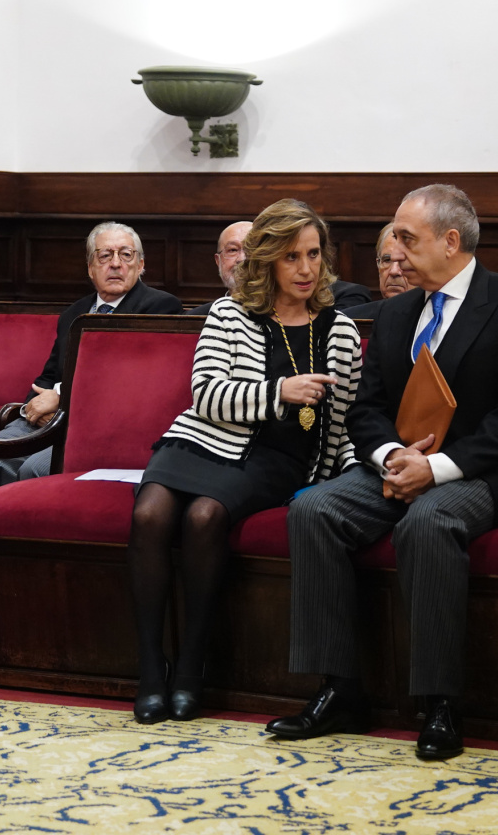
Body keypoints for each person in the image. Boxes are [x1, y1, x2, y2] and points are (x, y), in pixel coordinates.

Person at [267, 184, 498, 759]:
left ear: (451, 241)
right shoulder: (397, 312)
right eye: (394, 237)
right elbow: (365, 408)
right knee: (314, 508)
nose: (394, 250)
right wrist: (391, 458)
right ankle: (339, 688)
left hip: (485, 471)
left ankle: (439, 702)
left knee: (427, 522)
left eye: (406, 237)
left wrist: (437, 468)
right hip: (397, 464)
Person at [128, 200, 362, 724]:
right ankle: (149, 669)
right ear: (267, 262)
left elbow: (344, 423)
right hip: (199, 439)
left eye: (314, 255)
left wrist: (352, 472)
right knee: (148, 516)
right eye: (291, 257)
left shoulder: (340, 332)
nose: (306, 269)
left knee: (205, 516)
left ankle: (191, 670)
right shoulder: (228, 312)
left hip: (276, 459)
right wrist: (281, 392)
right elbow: (206, 394)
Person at [0, 222, 181, 627]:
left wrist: (61, 395)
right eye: (105, 256)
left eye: (125, 255)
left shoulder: (160, 307)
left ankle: (24, 587)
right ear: (90, 268)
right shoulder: (74, 312)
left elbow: (134, 385)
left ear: (141, 264)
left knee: (34, 468)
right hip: (52, 417)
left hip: (105, 428)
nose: (116, 264)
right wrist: (45, 398)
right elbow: (49, 374)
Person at [343, 224, 411, 319]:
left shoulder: (435, 320)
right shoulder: (350, 319)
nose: (394, 271)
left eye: (403, 260)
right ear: (377, 264)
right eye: (387, 260)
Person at [188, 221, 252, 316]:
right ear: (218, 261)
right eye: (233, 250)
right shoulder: (198, 317)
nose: (242, 259)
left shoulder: (280, 315)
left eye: (251, 249)